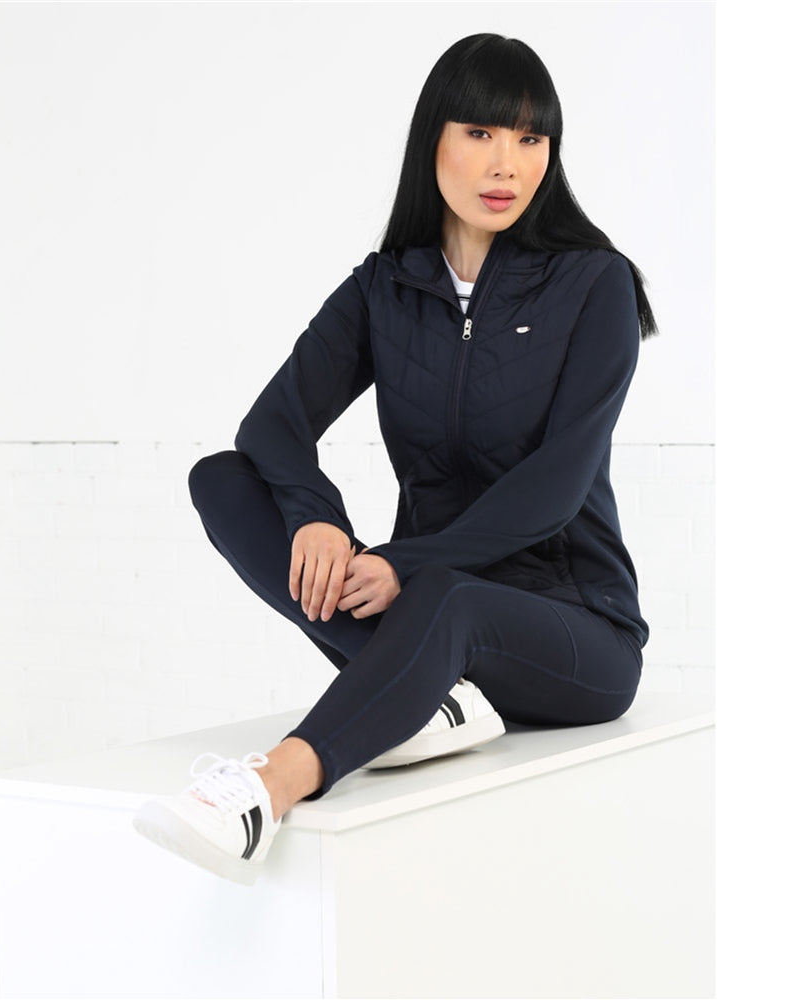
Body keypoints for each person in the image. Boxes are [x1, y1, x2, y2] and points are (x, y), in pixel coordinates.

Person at [133, 32, 657, 885]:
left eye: (531, 139)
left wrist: (402, 562)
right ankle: (436, 698)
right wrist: (318, 520)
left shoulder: (595, 284)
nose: (507, 163)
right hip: (424, 610)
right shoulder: (387, 287)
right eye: (481, 133)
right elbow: (272, 425)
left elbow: (558, 488)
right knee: (221, 480)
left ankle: (264, 792)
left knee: (449, 594)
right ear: (433, 141)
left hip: (575, 631)